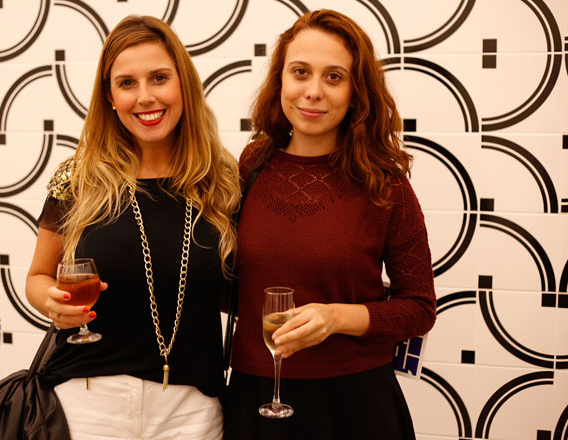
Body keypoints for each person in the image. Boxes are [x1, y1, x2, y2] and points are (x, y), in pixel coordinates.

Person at [224, 9, 436, 439]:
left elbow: (419, 308)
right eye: (300, 72)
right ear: (280, 79)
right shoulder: (250, 166)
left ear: (356, 91)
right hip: (256, 397)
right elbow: (228, 282)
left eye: (334, 77)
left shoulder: (384, 182)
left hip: (355, 405)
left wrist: (335, 317)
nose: (313, 91)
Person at [26, 15, 240, 440]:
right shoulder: (78, 177)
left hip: (192, 411)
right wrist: (52, 303)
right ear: (109, 96)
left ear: (184, 84)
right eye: (127, 83)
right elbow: (37, 277)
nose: (145, 97)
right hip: (88, 405)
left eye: (159, 78)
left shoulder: (222, 181)